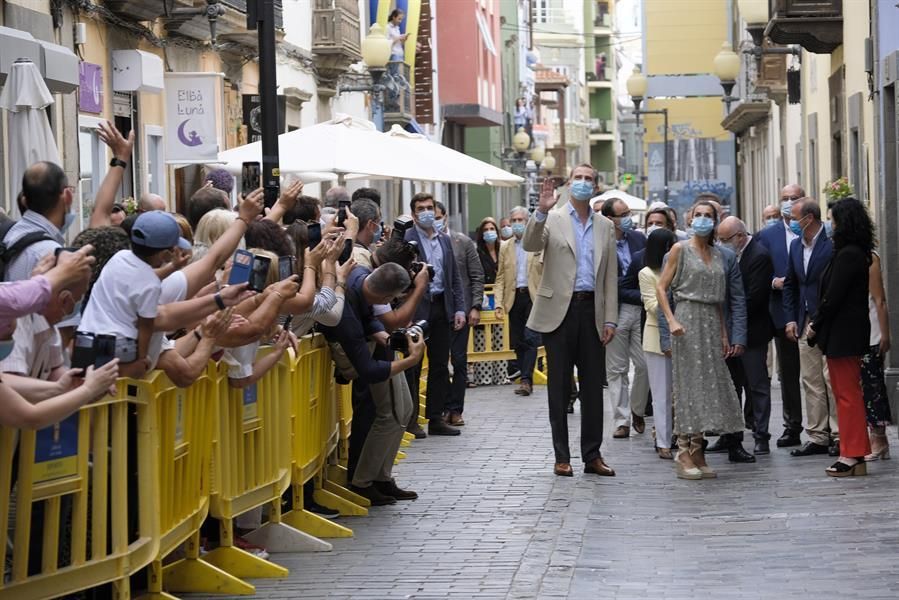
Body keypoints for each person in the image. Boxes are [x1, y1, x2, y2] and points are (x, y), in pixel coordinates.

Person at [522, 164, 618, 478]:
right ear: (569, 184)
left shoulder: (605, 225)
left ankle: (592, 455)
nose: (583, 183)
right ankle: (561, 456)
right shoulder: (553, 218)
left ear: (596, 186)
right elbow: (530, 245)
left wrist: (611, 320)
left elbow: (610, 278)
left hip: (593, 311)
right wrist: (540, 211)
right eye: (578, 178)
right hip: (559, 313)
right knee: (559, 386)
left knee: (593, 387)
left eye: (589, 179)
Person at [656, 201, 746, 480]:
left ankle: (698, 449)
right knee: (688, 387)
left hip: (710, 322)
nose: (703, 219)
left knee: (708, 388)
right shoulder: (679, 250)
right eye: (699, 215)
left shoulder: (721, 254)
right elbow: (661, 287)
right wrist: (671, 320)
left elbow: (719, 297)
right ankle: (683, 450)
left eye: (709, 216)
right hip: (686, 321)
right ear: (690, 219)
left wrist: (723, 333)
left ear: (716, 221)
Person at [321, 262, 425, 504]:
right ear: (388, 298)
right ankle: (363, 481)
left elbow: (370, 318)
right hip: (360, 359)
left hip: (377, 350)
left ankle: (381, 477)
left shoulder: (362, 278)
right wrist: (411, 360)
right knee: (388, 416)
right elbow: (367, 371)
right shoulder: (346, 314)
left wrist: (388, 338)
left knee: (404, 410)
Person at [807, 198, 873, 476]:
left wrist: (814, 325)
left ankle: (853, 454)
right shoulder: (851, 252)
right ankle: (852, 451)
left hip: (844, 334)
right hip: (845, 333)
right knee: (845, 393)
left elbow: (833, 297)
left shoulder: (849, 254)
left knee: (846, 395)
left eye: (833, 220)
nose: (830, 226)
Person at [405, 193, 466, 436]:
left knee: (440, 364)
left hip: (442, 306)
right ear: (413, 214)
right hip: (417, 306)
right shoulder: (407, 239)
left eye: (430, 207)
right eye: (421, 208)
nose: (427, 212)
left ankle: (435, 417)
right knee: (414, 363)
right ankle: (411, 420)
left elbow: (454, 278)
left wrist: (459, 308)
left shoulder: (444, 240)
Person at [784, 197, 837, 457]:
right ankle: (818, 435)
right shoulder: (795, 246)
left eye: (794, 218)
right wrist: (791, 319)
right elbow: (792, 284)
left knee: (832, 378)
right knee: (811, 380)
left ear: (809, 219)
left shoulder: (832, 245)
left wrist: (821, 318)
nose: (791, 222)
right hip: (804, 322)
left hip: (828, 322)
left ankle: (839, 434)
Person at [717, 217, 775, 455]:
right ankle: (730, 435)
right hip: (728, 332)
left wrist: (731, 319)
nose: (721, 244)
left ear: (740, 236)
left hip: (753, 332)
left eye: (725, 239)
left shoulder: (759, 256)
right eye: (718, 239)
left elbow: (754, 298)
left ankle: (761, 435)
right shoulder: (726, 255)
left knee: (756, 385)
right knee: (731, 387)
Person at [756, 184, 805, 447]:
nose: (788, 203)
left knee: (817, 374)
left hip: (810, 312)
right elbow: (757, 272)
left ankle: (828, 429)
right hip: (779, 312)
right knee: (788, 373)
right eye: (784, 199)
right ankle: (792, 426)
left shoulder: (815, 231)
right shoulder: (767, 236)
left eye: (793, 198)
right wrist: (773, 282)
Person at [600, 196, 648, 438]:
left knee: (645, 364)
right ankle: (621, 420)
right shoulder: (599, 242)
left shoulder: (639, 238)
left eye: (629, 212)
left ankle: (638, 409)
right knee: (616, 369)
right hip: (614, 311)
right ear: (610, 219)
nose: (630, 218)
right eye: (624, 214)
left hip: (640, 309)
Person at [435, 202, 484, 426]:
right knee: (439, 363)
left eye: (435, 215)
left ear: (445, 216)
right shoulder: (424, 243)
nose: (431, 218)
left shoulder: (462, 242)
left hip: (460, 310)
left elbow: (476, 276)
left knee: (460, 360)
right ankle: (442, 408)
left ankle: (456, 408)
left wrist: (475, 306)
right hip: (437, 312)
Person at [494, 206, 543, 397]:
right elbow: (500, 277)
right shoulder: (505, 246)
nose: (516, 224)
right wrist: (498, 302)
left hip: (533, 296)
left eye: (520, 220)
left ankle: (526, 380)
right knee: (519, 341)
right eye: (513, 220)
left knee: (531, 337)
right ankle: (524, 375)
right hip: (514, 297)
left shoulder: (538, 243)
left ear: (527, 221)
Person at [638, 228, 677, 459]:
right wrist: (672, 305)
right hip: (656, 339)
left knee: (679, 396)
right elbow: (651, 306)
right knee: (661, 394)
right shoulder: (646, 273)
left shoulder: (677, 267)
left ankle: (680, 437)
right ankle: (663, 441)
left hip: (681, 336)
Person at [861, 251, 892, 460]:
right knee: (865, 388)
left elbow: (879, 300)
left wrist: (885, 334)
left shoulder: (870, 257)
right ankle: (877, 438)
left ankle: (879, 438)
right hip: (857, 333)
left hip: (872, 333)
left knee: (874, 389)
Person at [472, 217, 508, 386]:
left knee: (500, 336)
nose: (489, 232)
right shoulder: (477, 252)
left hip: (500, 299)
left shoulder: (503, 249)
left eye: (492, 229)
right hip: (484, 299)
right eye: (485, 229)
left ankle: (501, 375)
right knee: (482, 337)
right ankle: (483, 377)